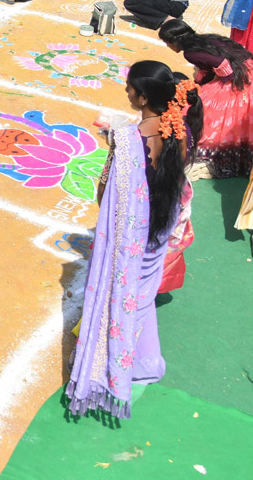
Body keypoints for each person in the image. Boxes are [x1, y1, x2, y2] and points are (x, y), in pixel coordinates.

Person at [65, 61, 199, 419]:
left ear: (142, 97)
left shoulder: (127, 139)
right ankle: (146, 361)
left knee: (119, 293)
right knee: (140, 294)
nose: (126, 92)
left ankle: (112, 367)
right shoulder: (180, 128)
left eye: (130, 88)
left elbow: (104, 192)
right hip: (162, 223)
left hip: (131, 231)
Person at [159, 20, 253, 179]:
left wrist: (224, 86)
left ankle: (211, 152)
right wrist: (199, 84)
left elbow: (222, 64)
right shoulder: (204, 40)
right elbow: (206, 68)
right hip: (252, 73)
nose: (168, 46)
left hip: (240, 79)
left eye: (167, 43)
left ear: (175, 40)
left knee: (208, 106)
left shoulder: (189, 52)